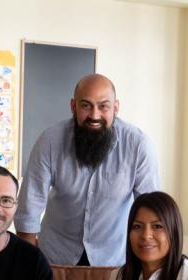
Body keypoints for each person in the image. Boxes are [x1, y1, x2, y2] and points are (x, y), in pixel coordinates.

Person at [15, 73, 160, 266]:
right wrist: (30, 265)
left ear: (115, 108)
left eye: (103, 106)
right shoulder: (50, 141)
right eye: (86, 105)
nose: (94, 115)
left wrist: (146, 265)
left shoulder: (139, 145)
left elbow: (151, 210)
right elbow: (29, 208)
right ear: (73, 106)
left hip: (114, 261)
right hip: (56, 257)